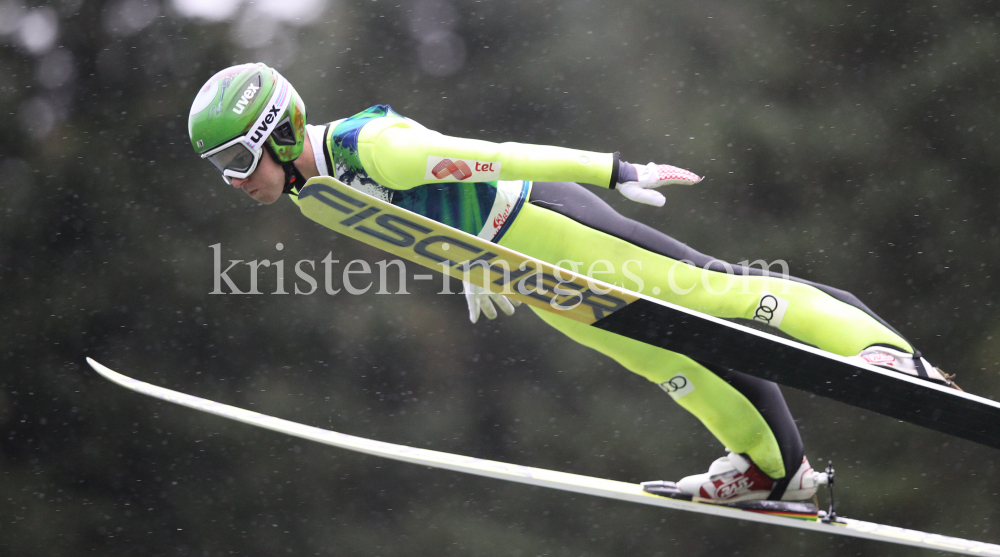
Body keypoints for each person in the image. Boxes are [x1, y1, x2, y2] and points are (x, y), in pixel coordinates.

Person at [187, 62, 956, 504]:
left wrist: (614, 171)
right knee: (662, 358)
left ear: (279, 135)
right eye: (218, 167)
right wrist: (473, 269)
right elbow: (418, 224)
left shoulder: (373, 147)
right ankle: (773, 469)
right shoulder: (314, 195)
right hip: (522, 272)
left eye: (235, 160)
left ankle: (884, 351)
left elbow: (495, 155)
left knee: (712, 292)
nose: (232, 181)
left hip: (549, 225)